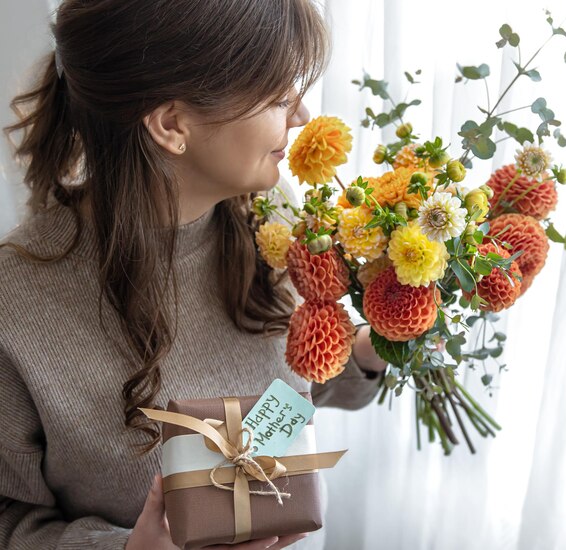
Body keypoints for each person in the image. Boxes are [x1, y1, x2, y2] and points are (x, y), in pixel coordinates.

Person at [0, 1, 388, 549]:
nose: (300, 115)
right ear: (172, 124)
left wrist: (373, 348)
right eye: (276, 94)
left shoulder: (272, 214)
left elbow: (287, 396)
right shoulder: (15, 302)